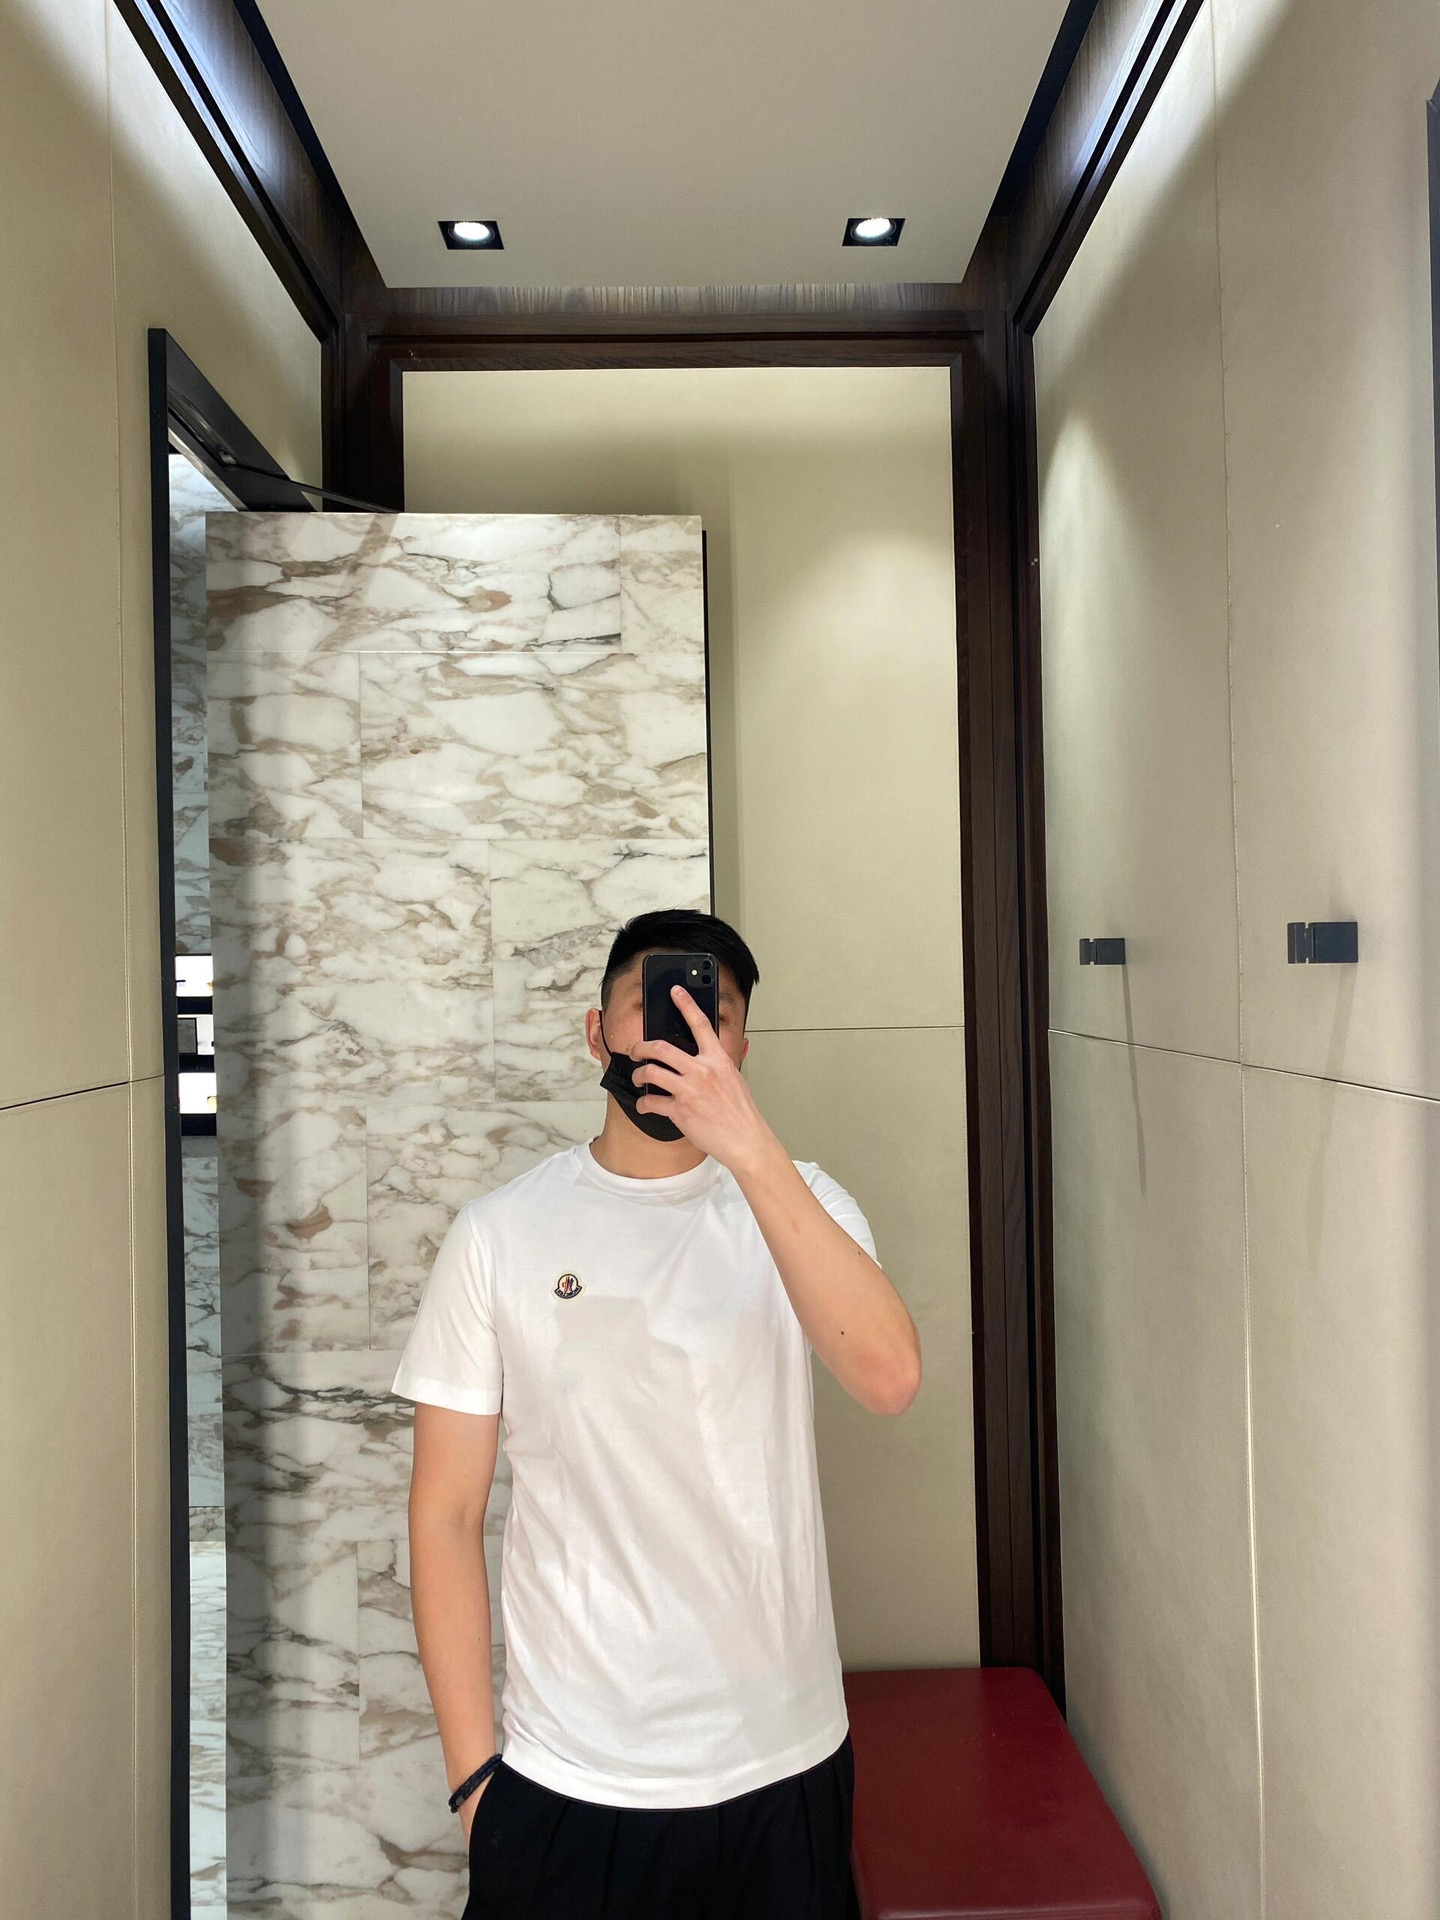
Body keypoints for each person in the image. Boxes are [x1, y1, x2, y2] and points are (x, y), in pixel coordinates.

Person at [391, 907, 921, 1918]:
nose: (682, 1029)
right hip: (570, 1771)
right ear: (598, 1034)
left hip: (783, 1761)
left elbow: (890, 1378)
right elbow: (445, 1514)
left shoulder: (803, 1201)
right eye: (653, 1005)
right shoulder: (499, 1235)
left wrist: (748, 1149)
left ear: (740, 1050)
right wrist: (474, 1783)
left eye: (709, 1013)